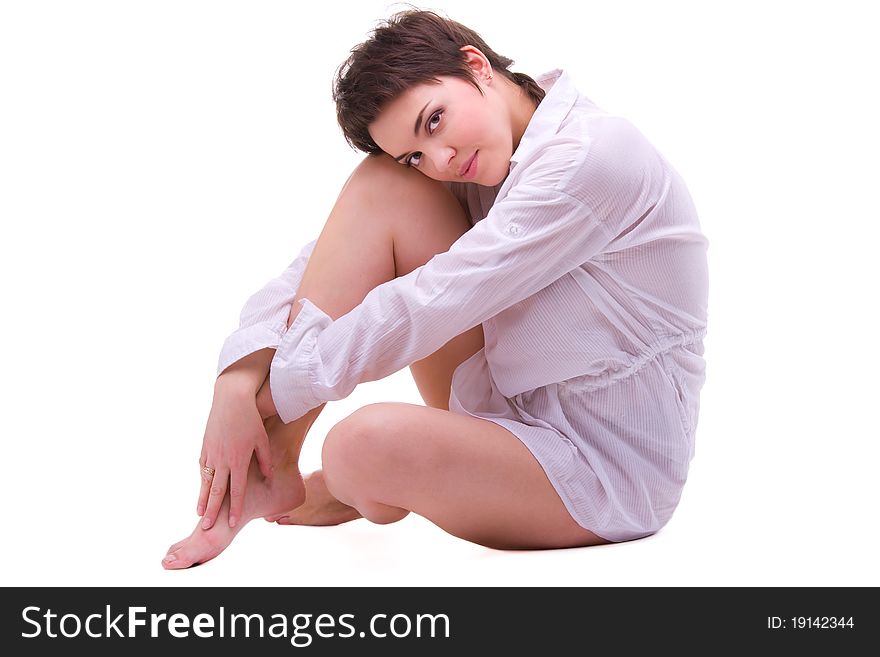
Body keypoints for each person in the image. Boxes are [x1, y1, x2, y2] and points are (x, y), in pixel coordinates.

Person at [162, 8, 709, 569]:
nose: (441, 161)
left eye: (434, 121)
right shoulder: (478, 161)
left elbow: (431, 301)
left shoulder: (592, 158)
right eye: (417, 153)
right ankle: (276, 461)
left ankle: (370, 481)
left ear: (476, 67)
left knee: (358, 446)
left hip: (601, 471)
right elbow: (322, 261)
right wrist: (238, 376)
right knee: (382, 181)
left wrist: (264, 401)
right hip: (504, 406)